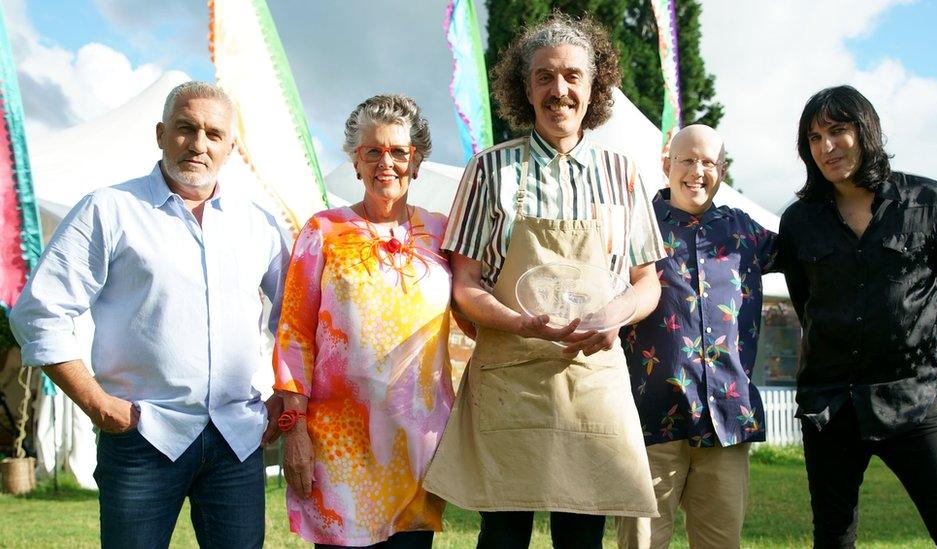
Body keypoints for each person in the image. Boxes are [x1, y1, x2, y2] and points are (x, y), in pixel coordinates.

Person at [9, 81, 289, 547]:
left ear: (231, 148)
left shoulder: (258, 223)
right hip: (142, 435)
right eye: (186, 128)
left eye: (214, 134)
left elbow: (294, 317)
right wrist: (100, 405)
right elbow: (39, 313)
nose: (199, 144)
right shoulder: (110, 209)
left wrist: (286, 392)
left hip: (236, 439)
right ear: (161, 133)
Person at [423, 13, 665, 549]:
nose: (560, 90)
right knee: (504, 535)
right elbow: (464, 284)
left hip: (591, 378)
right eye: (544, 77)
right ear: (524, 88)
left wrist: (616, 314)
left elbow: (646, 282)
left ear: (594, 85)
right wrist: (520, 321)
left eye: (573, 76)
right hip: (509, 377)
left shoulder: (623, 173)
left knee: (583, 533)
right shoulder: (489, 171)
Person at [778, 85, 937, 547]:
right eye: (813, 137)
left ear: (867, 130)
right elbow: (805, 302)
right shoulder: (799, 221)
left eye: (838, 130)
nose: (826, 146)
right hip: (829, 404)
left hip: (910, 397)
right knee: (832, 536)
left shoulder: (931, 202)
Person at [272, 94, 456, 548]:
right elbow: (294, 335)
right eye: (372, 151)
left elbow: (473, 308)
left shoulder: (443, 231)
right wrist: (293, 430)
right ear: (356, 162)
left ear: (416, 162)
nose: (385, 162)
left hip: (416, 449)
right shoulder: (322, 231)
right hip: (339, 450)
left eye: (398, 151)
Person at [615, 125, 776, 549]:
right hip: (651, 417)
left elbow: (815, 252)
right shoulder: (633, 224)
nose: (698, 171)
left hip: (726, 419)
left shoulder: (744, 231)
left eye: (709, 162)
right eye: (688, 160)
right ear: (666, 165)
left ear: (722, 171)